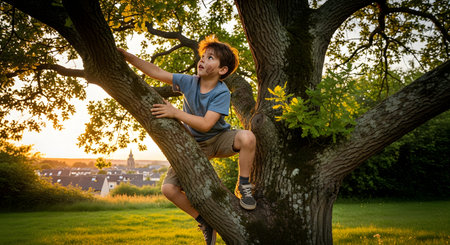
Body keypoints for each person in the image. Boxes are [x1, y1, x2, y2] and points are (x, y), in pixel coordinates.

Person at [118, 35, 256, 245]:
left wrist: (174, 112)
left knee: (247, 136)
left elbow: (206, 125)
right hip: (194, 144)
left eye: (210, 58)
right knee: (168, 189)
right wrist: (127, 56)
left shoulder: (222, 93)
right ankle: (203, 221)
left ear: (222, 70)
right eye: (203, 56)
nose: (202, 60)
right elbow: (156, 72)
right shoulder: (188, 81)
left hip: (219, 139)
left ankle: (244, 185)